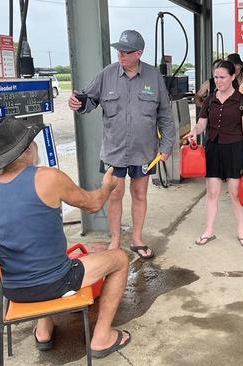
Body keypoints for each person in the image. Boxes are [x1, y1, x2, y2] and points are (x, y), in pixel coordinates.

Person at [0, 117, 130, 358]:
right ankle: (103, 337)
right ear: (28, 148)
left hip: (13, 290)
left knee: (39, 253)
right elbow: (93, 204)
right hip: (53, 282)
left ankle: (43, 329)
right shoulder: (48, 177)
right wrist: (108, 186)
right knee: (119, 259)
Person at [68, 30, 176, 259]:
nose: (121, 55)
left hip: (144, 150)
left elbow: (165, 114)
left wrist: (166, 145)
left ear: (139, 53)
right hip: (114, 150)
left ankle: (137, 239)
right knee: (114, 195)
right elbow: (89, 100)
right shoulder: (107, 75)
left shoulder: (153, 76)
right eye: (119, 50)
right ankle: (115, 240)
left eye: (126, 51)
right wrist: (77, 102)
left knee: (139, 193)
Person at [183, 60, 243, 247]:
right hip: (213, 149)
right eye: (216, 77)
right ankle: (208, 231)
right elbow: (201, 124)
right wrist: (194, 131)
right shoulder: (210, 100)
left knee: (235, 193)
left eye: (222, 77)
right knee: (212, 193)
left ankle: (241, 231)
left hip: (235, 149)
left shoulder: (242, 100)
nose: (219, 81)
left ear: (233, 77)